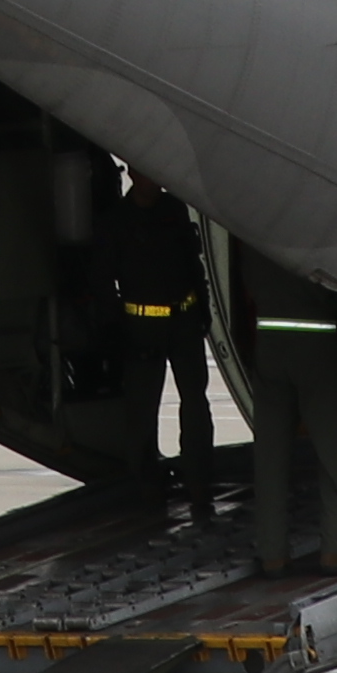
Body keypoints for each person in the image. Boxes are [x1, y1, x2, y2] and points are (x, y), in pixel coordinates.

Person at [90, 173, 218, 515]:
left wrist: (203, 309)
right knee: (143, 410)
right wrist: (117, 331)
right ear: (132, 173)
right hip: (143, 326)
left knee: (195, 403)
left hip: (184, 320)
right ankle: (149, 484)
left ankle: (199, 483)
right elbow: (103, 282)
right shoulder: (116, 221)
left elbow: (194, 264)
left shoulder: (174, 210)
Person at [237, 250, 337, 572]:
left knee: (270, 456)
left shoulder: (256, 235)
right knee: (332, 451)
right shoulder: (312, 235)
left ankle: (272, 553)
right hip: (315, 342)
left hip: (269, 341)